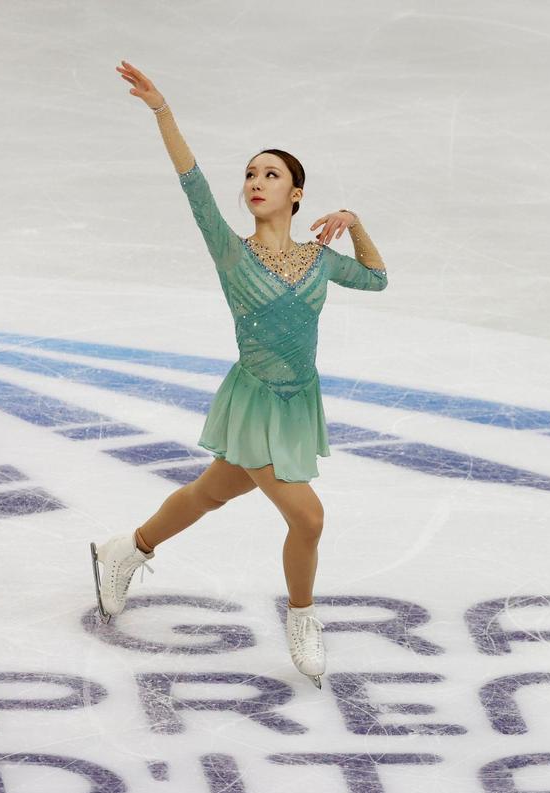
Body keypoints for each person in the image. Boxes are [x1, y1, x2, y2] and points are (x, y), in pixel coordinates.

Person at [89, 60, 389, 690]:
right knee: (307, 519)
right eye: (250, 174)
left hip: (298, 402)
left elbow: (378, 277)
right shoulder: (231, 251)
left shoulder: (320, 260)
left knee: (210, 493)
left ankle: (128, 548)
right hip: (254, 402)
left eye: (271, 174)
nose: (256, 181)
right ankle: (301, 616)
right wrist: (162, 110)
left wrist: (356, 223)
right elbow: (191, 183)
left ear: (296, 194)